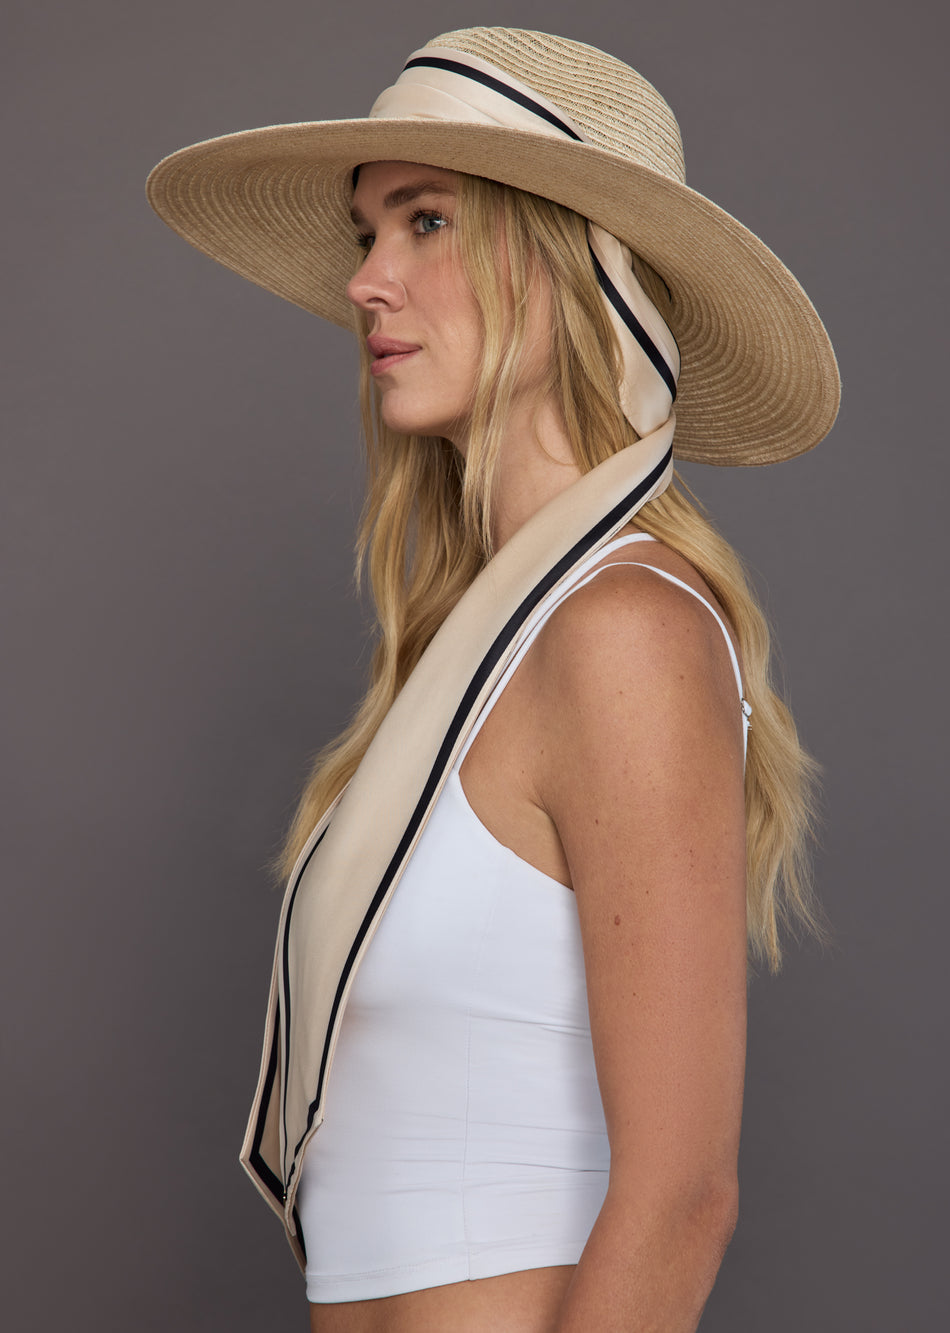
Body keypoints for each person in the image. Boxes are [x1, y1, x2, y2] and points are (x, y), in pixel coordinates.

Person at [147, 26, 839, 1333]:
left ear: (571, 257)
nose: (367, 281)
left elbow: (685, 1191)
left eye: (426, 221)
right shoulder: (467, 651)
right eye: (367, 234)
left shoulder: (623, 630)